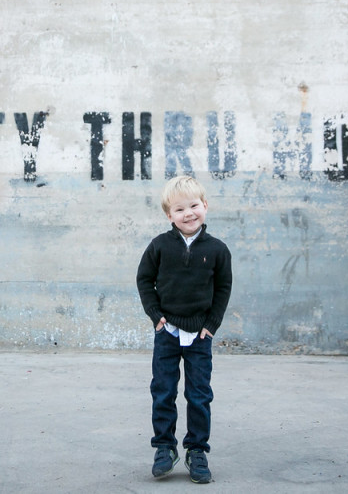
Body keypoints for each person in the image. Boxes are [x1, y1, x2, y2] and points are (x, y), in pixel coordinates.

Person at [136, 175, 233, 484]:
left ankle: (196, 450)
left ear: (205, 206)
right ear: (170, 215)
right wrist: (155, 316)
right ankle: (164, 447)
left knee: (199, 394)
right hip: (168, 333)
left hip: (199, 336)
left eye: (194, 206)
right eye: (180, 209)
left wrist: (212, 325)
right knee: (163, 391)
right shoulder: (159, 246)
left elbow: (223, 288)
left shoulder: (217, 250)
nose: (188, 213)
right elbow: (144, 280)